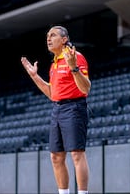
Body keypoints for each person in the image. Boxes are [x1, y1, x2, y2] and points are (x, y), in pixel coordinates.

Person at [21, 25, 91, 194]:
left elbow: (86, 88)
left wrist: (73, 67)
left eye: (53, 35)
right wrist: (35, 76)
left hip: (74, 108)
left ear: (64, 39)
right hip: (57, 109)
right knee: (56, 156)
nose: (48, 39)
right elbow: (53, 94)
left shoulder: (76, 57)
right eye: (47, 36)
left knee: (76, 154)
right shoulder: (54, 64)